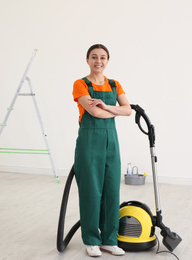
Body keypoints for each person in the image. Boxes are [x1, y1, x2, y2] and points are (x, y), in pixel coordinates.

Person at [72, 44, 132, 257]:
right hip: (89, 141)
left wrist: (107, 107)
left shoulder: (115, 84)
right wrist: (116, 111)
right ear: (87, 60)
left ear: (108, 60)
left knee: (111, 190)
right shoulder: (81, 84)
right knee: (91, 191)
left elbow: (129, 110)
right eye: (94, 57)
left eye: (103, 57)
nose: (99, 61)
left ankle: (109, 239)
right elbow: (94, 113)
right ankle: (91, 240)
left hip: (111, 143)